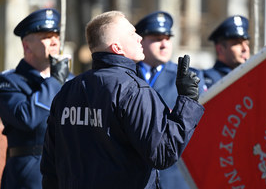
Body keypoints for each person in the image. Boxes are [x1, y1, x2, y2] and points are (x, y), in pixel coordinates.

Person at [40, 10, 205, 189]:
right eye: (132, 33)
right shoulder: (133, 90)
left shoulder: (68, 90)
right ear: (117, 48)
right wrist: (188, 102)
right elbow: (163, 153)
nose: (139, 38)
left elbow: (50, 166)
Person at [0, 8, 73, 189]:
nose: (55, 41)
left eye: (56, 35)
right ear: (27, 46)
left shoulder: (70, 80)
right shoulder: (9, 81)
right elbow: (26, 118)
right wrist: (55, 81)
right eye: (46, 36)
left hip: (68, 171)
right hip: (30, 175)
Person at [135, 11, 206, 189]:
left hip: (175, 178)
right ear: (141, 40)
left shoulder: (190, 77)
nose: (164, 44)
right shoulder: (125, 75)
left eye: (167, 38)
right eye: (156, 38)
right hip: (134, 177)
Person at [204, 15, 251, 89]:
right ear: (220, 49)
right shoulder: (209, 80)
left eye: (247, 44)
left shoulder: (250, 78)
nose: (245, 49)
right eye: (237, 43)